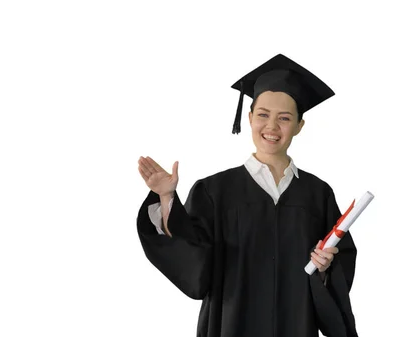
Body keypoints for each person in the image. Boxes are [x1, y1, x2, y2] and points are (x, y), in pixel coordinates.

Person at [136, 54, 358, 337]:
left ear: (300, 126)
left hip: (296, 324)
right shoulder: (214, 191)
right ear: (250, 117)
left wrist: (326, 267)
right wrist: (167, 199)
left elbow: (339, 262)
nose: (272, 127)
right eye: (263, 115)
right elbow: (193, 262)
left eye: (285, 118)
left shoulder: (318, 194)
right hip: (232, 324)